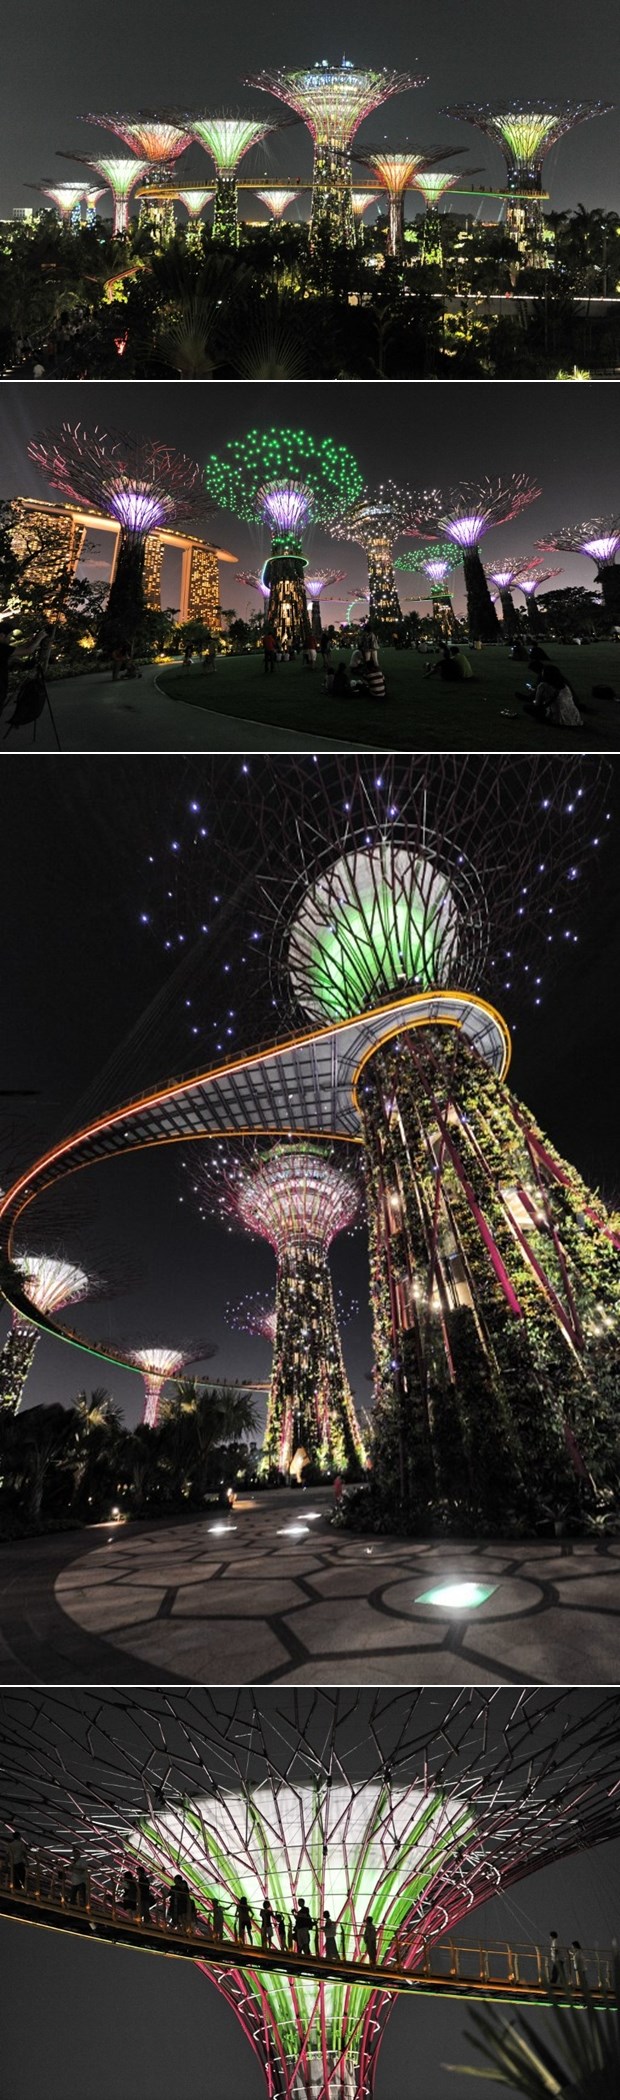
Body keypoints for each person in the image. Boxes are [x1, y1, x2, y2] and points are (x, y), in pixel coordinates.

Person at [68, 1845, 90, 1910]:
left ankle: (85, 1906)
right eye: (74, 1855)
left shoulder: (82, 1861)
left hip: (82, 1881)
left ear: (79, 1854)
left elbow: (81, 1871)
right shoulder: (74, 1862)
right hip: (75, 1882)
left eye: (76, 1854)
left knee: (83, 1895)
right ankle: (73, 1905)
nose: (75, 1856)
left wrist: (73, 1868)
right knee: (73, 1895)